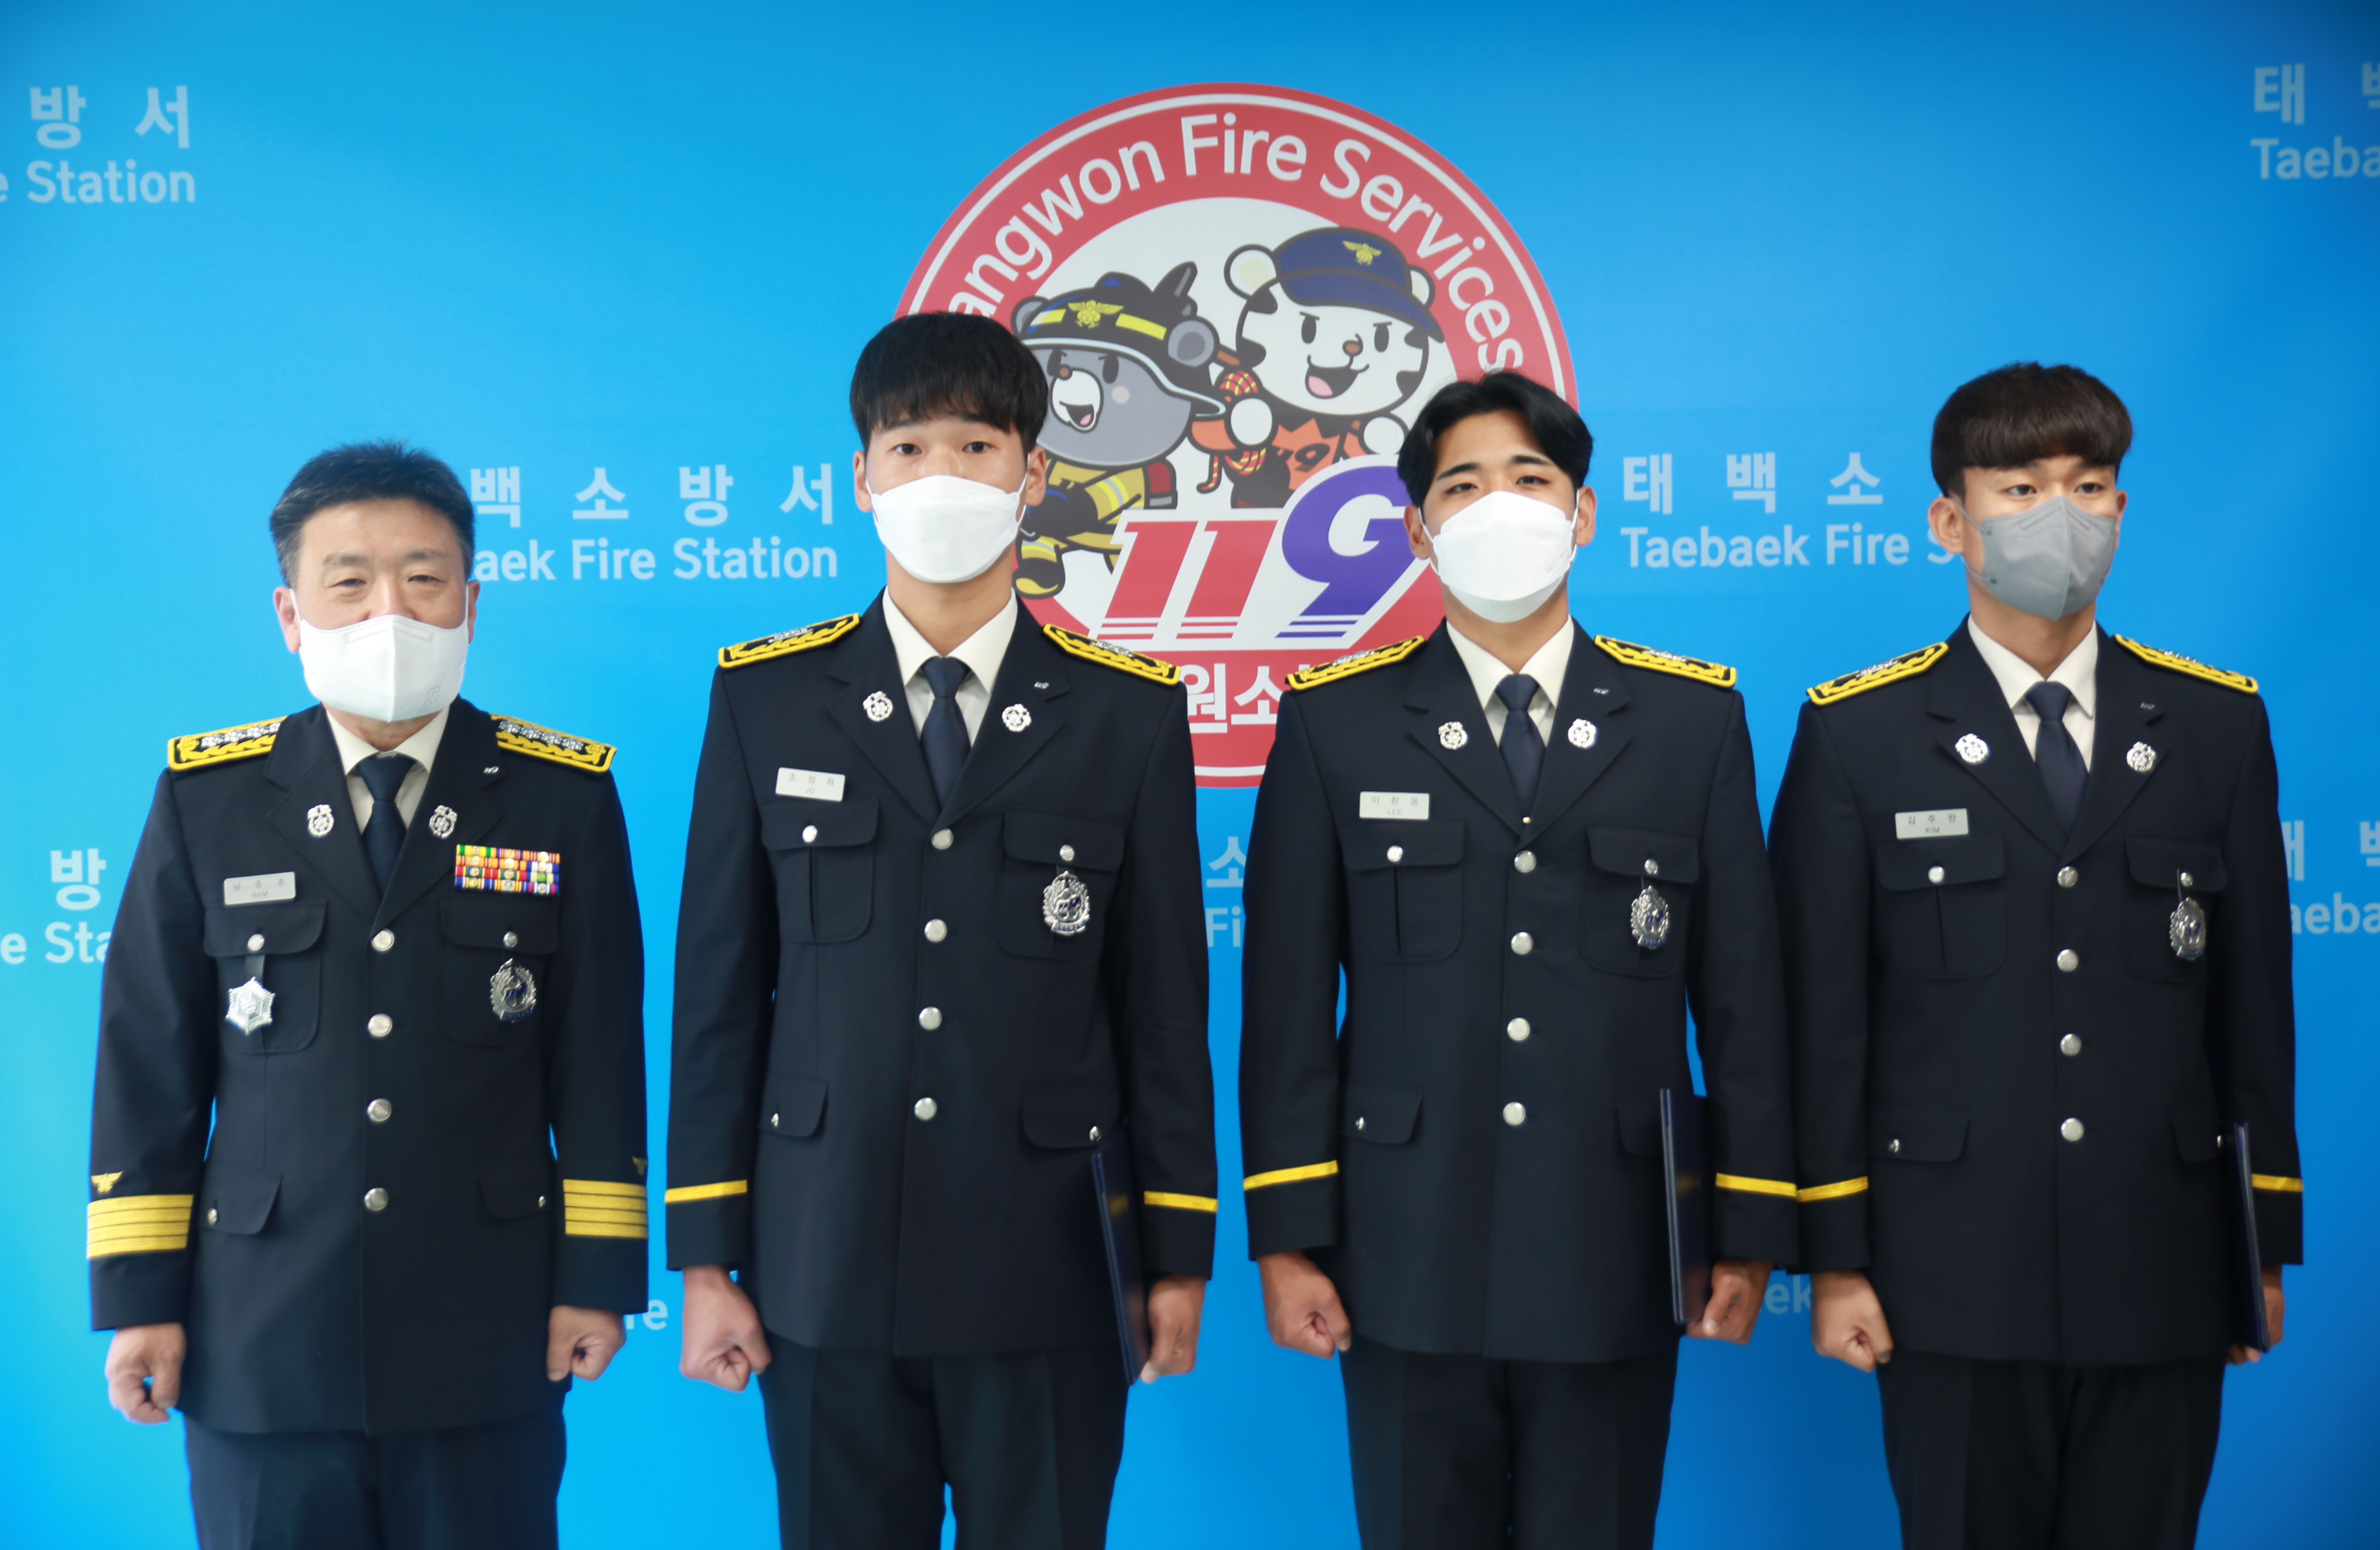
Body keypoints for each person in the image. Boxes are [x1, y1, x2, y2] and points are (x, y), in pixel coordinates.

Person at [665, 311, 1216, 1550]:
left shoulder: (1125, 715)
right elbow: (718, 999)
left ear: (1033, 473)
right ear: (861, 478)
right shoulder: (766, 698)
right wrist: (705, 1260)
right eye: (908, 447)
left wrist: (1177, 1257)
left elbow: (1163, 1011)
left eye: (977, 446)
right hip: (823, 1262)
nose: (942, 476)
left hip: (1050, 1270)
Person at [1237, 370, 1797, 1550]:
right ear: (1417, 529)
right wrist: (1288, 1238)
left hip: (1617, 1250)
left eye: (1530, 480)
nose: (1499, 506)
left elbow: (1745, 1003)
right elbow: (1284, 1008)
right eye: (1463, 486)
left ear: (1582, 513)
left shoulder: (1691, 723)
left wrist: (1748, 1227)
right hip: (1401, 1252)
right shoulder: (1335, 722)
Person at [1771, 363, 2300, 1550]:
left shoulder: (2216, 725)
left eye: (2089, 485)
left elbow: (2254, 1012)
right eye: (2019, 488)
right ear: (1950, 521)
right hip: (1948, 1273)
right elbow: (1822, 1024)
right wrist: (1837, 1261)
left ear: (2121, 509)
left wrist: (2259, 1246)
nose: (2060, 514)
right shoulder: (1858, 734)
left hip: (2162, 1264)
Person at [89, 442, 648, 1550]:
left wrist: (596, 1278)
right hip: (259, 1338)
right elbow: (149, 1068)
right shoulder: (209, 799)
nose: (389, 610)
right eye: (349, 581)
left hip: (485, 1329)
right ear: (290, 614)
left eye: (423, 577)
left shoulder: (561, 797)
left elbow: (598, 1062)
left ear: (471, 605)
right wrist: (140, 1300)